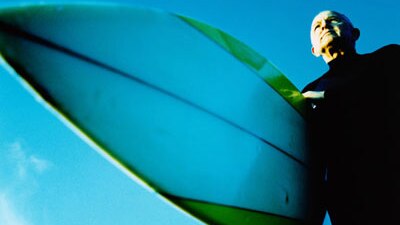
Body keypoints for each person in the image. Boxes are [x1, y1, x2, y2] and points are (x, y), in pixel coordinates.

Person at [302, 10, 400, 225]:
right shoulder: (308, 92)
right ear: (314, 50)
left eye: (333, 20)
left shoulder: (389, 58)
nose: (324, 26)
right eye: (317, 26)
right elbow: (310, 163)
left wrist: (329, 97)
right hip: (349, 206)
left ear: (354, 33)